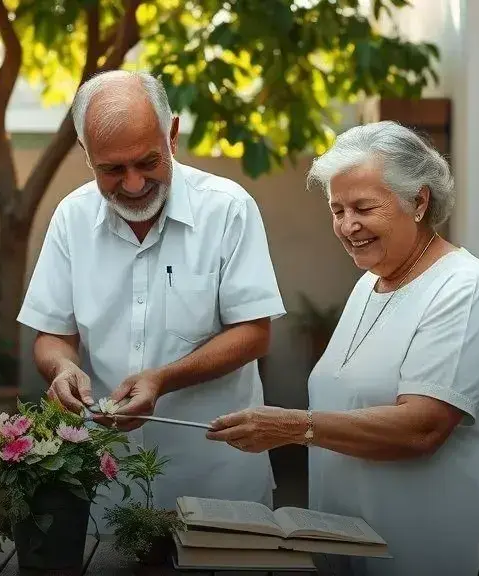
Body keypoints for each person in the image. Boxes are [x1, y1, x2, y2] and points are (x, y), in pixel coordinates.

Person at [206, 121, 479, 576]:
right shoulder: (370, 285)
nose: (347, 226)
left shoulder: (464, 287)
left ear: (419, 201)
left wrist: (292, 426)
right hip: (362, 543)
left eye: (363, 207)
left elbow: (421, 428)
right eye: (336, 210)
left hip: (442, 546)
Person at [16, 70, 287, 527]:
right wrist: (63, 368)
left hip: (217, 479)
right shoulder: (71, 218)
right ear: (85, 154)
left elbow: (254, 335)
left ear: (173, 135)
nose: (135, 184)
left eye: (147, 161)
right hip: (108, 481)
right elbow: (52, 336)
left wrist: (161, 379)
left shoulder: (228, 208)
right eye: (112, 169)